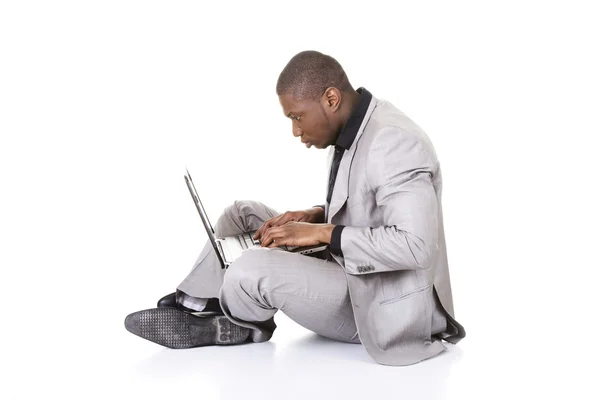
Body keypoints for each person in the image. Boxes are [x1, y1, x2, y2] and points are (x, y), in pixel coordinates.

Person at [124, 50, 466, 366]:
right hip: (350, 267)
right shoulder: (354, 125)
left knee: (251, 266)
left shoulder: (394, 141)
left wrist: (321, 232)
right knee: (242, 212)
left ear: (330, 99)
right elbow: (369, 201)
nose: (294, 130)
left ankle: (241, 323)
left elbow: (415, 246)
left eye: (297, 116)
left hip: (379, 304)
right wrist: (316, 214)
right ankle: (199, 301)